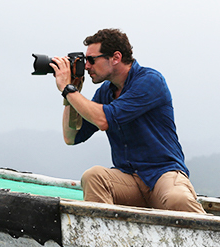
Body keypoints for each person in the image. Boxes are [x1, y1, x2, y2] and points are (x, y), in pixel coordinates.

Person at [50, 28, 205, 214]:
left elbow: (103, 119)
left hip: (162, 174)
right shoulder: (106, 92)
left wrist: (68, 90)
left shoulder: (150, 81)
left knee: (177, 199)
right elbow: (71, 137)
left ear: (115, 57)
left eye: (91, 60)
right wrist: (69, 95)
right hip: (129, 179)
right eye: (85, 60)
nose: (88, 66)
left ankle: (214, 239)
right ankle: (106, 239)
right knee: (94, 176)